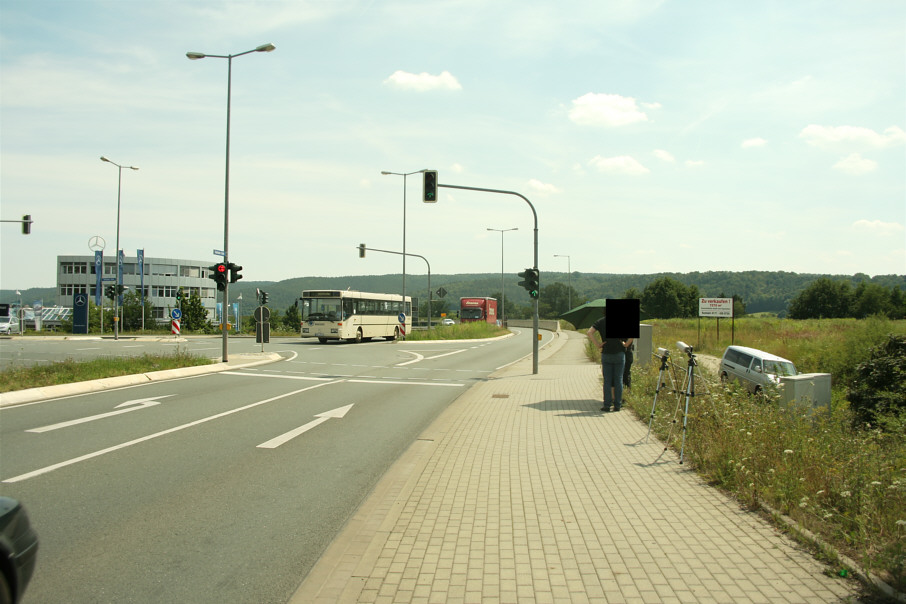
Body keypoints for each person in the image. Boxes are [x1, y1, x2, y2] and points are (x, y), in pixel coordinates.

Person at [586, 316, 633, 412]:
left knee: (607, 380)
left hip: (606, 353)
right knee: (618, 379)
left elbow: (589, 332)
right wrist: (626, 344)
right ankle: (617, 405)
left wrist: (598, 344)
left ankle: (607, 405)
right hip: (619, 353)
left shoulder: (601, 321)